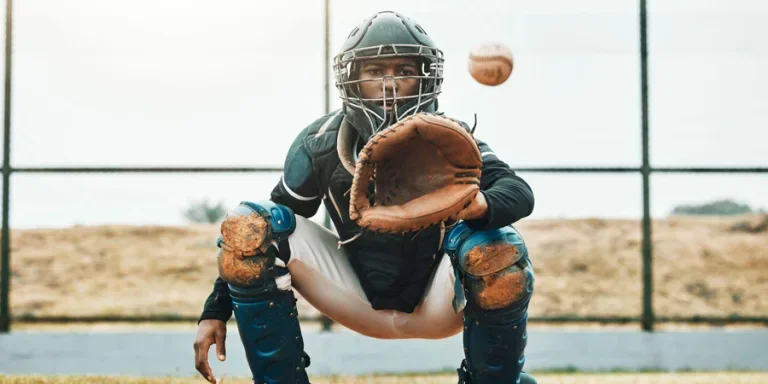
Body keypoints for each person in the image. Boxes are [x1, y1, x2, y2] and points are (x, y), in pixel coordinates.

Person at [193, 10, 536, 384]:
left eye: (404, 70)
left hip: (440, 300)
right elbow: (252, 241)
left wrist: (480, 206)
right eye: (374, 71)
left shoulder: (451, 140)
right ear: (352, 79)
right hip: (353, 296)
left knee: (497, 248)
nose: (390, 84)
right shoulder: (321, 143)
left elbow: (518, 192)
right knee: (253, 224)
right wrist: (215, 309)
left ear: (425, 77)